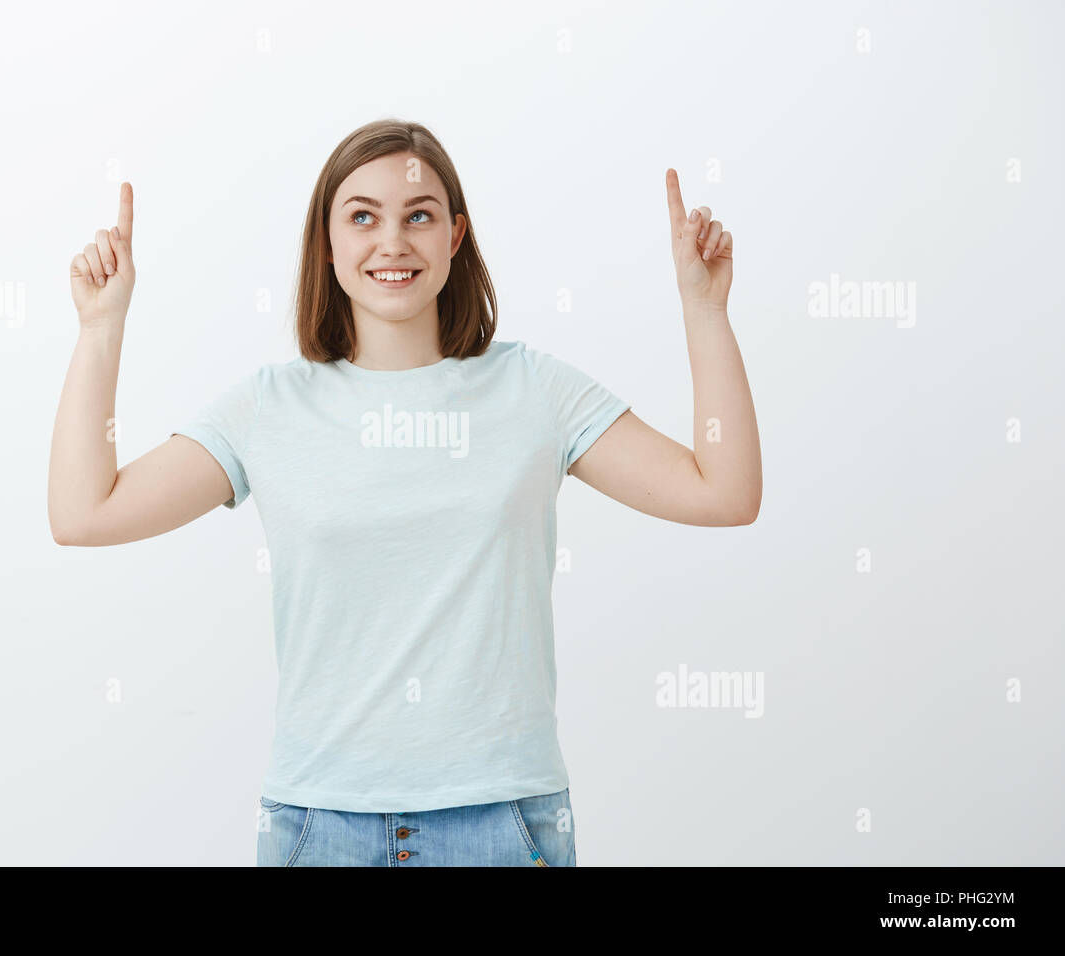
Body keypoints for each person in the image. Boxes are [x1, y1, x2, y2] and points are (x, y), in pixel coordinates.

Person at [48, 119, 761, 867]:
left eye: (418, 215)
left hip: (504, 821)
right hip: (321, 825)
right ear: (327, 243)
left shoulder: (534, 390)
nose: (392, 241)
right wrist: (101, 328)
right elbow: (83, 513)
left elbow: (724, 493)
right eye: (363, 216)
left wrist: (705, 311)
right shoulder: (269, 407)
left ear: (455, 236)